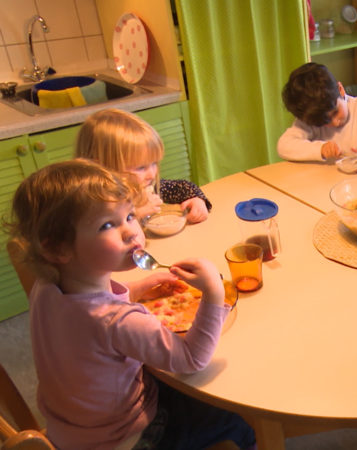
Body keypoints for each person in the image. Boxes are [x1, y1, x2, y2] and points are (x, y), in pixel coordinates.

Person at [6, 159, 254, 449]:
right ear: (57, 248)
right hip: (126, 436)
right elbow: (191, 359)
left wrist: (138, 287)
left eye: (129, 216)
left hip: (70, 430)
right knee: (239, 418)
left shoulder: (45, 287)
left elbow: (87, 316)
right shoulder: (118, 321)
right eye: (107, 225)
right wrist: (213, 292)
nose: (131, 232)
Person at [75, 108, 211, 224]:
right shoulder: (92, 202)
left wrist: (197, 200)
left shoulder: (145, 187)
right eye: (140, 168)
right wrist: (134, 215)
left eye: (154, 163)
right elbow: (98, 234)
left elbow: (181, 187)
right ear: (101, 168)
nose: (152, 174)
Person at [277, 62, 357, 169]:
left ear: (340, 89)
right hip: (321, 182)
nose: (334, 123)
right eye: (324, 121)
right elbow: (284, 146)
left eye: (335, 112)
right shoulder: (312, 117)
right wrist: (320, 149)